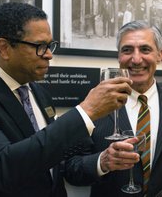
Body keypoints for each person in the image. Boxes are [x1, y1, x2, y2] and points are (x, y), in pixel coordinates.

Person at [0, 2, 133, 197]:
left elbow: (52, 156)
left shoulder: (39, 93)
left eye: (50, 46)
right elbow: (1, 168)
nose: (49, 55)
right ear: (4, 48)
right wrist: (85, 112)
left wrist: (103, 161)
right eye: (40, 46)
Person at [64, 20, 162, 197]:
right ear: (118, 56)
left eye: (145, 49)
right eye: (127, 50)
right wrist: (102, 162)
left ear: (159, 55)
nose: (136, 59)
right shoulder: (93, 104)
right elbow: (71, 169)